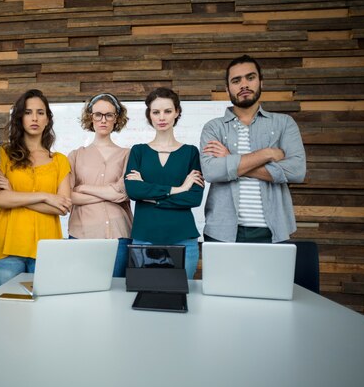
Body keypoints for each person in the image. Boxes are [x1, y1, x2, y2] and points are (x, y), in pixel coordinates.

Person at [200, 54, 306, 243]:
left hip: (274, 230)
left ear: (261, 82)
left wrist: (231, 159)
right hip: (222, 231)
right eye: (236, 80)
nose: (244, 85)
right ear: (227, 89)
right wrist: (267, 154)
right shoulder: (213, 127)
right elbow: (212, 171)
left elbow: (297, 171)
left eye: (250, 78)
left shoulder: (284, 124)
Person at [0, 89, 72, 287]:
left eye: (40, 113)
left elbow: (62, 207)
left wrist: (12, 195)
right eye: (28, 112)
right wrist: (45, 196)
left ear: (48, 119)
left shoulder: (60, 161)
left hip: (47, 250)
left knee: (44, 313)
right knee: (10, 311)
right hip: (7, 249)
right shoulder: (3, 154)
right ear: (19, 118)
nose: (34, 118)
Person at [124, 87, 204, 279]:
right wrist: (178, 189)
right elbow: (134, 191)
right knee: (144, 295)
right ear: (149, 115)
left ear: (177, 112)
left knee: (182, 297)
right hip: (144, 237)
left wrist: (151, 196)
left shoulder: (191, 152)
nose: (162, 117)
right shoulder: (138, 151)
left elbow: (194, 198)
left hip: (183, 238)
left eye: (167, 111)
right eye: (156, 112)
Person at [67, 93, 132, 277]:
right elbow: (68, 196)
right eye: (98, 114)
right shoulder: (75, 155)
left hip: (119, 235)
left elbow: (123, 193)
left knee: (115, 293)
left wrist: (84, 188)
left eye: (109, 115)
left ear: (116, 118)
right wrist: (109, 193)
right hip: (82, 234)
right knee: (82, 293)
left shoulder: (128, 154)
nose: (103, 120)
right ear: (90, 117)